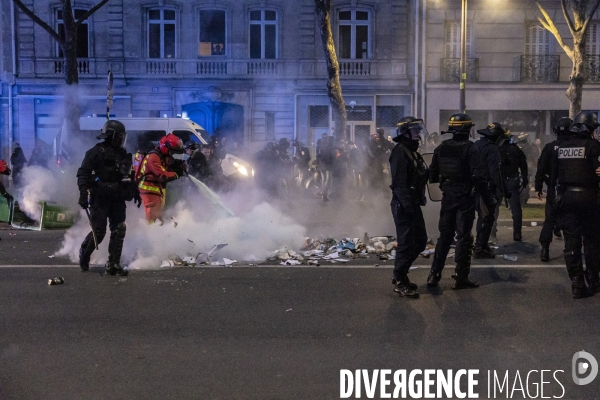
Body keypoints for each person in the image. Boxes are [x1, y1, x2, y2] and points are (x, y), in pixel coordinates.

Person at [427, 114, 495, 289]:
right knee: (463, 237)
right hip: (465, 197)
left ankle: (434, 275)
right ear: (467, 129)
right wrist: (488, 200)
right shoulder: (471, 149)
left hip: (448, 196)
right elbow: (479, 177)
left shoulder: (441, 148)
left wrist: (446, 183)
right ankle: (461, 277)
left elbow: (432, 175)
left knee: (445, 237)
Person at [77, 120, 141, 275]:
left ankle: (113, 263)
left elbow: (128, 176)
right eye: (118, 136)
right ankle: (84, 253)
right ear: (111, 135)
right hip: (100, 197)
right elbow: (83, 173)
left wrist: (135, 190)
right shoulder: (96, 152)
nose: (121, 139)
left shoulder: (122, 154)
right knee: (99, 232)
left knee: (119, 229)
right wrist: (83, 193)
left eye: (122, 136)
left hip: (117, 197)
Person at [551, 111, 600, 298]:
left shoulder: (562, 148)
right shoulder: (593, 147)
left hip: (565, 198)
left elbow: (555, 175)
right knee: (592, 241)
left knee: (571, 241)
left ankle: (577, 282)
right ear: (589, 129)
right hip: (588, 199)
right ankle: (593, 278)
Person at [389, 116, 429, 298]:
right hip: (404, 205)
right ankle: (399, 279)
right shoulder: (399, 152)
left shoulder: (412, 152)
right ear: (405, 132)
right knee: (406, 244)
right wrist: (409, 208)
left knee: (420, 241)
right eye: (415, 130)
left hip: (411, 203)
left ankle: (401, 274)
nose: (418, 133)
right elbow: (399, 185)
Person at [535, 117, 572, 262]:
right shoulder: (574, 147)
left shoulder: (550, 147)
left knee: (549, 220)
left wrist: (538, 186)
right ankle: (571, 251)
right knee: (570, 221)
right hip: (569, 188)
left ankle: (545, 250)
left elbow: (541, 167)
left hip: (553, 188)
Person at [136, 133, 186, 223]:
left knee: (158, 219)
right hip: (149, 192)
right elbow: (163, 175)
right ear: (166, 149)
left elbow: (166, 167)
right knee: (152, 220)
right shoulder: (153, 157)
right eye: (172, 152)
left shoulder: (160, 156)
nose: (172, 155)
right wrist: (177, 173)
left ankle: (157, 234)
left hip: (155, 191)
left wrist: (176, 165)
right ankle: (148, 236)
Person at [473, 122, 505, 259]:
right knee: (486, 218)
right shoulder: (492, 149)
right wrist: (501, 189)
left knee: (483, 216)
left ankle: (482, 244)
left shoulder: (476, 145)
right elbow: (495, 172)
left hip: (474, 187)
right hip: (485, 188)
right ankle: (480, 247)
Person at [494, 130, 528, 241]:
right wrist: (525, 179)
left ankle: (492, 229)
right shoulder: (516, 150)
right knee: (516, 209)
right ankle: (517, 233)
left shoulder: (496, 150)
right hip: (512, 181)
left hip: (499, 182)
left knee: (495, 207)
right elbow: (524, 166)